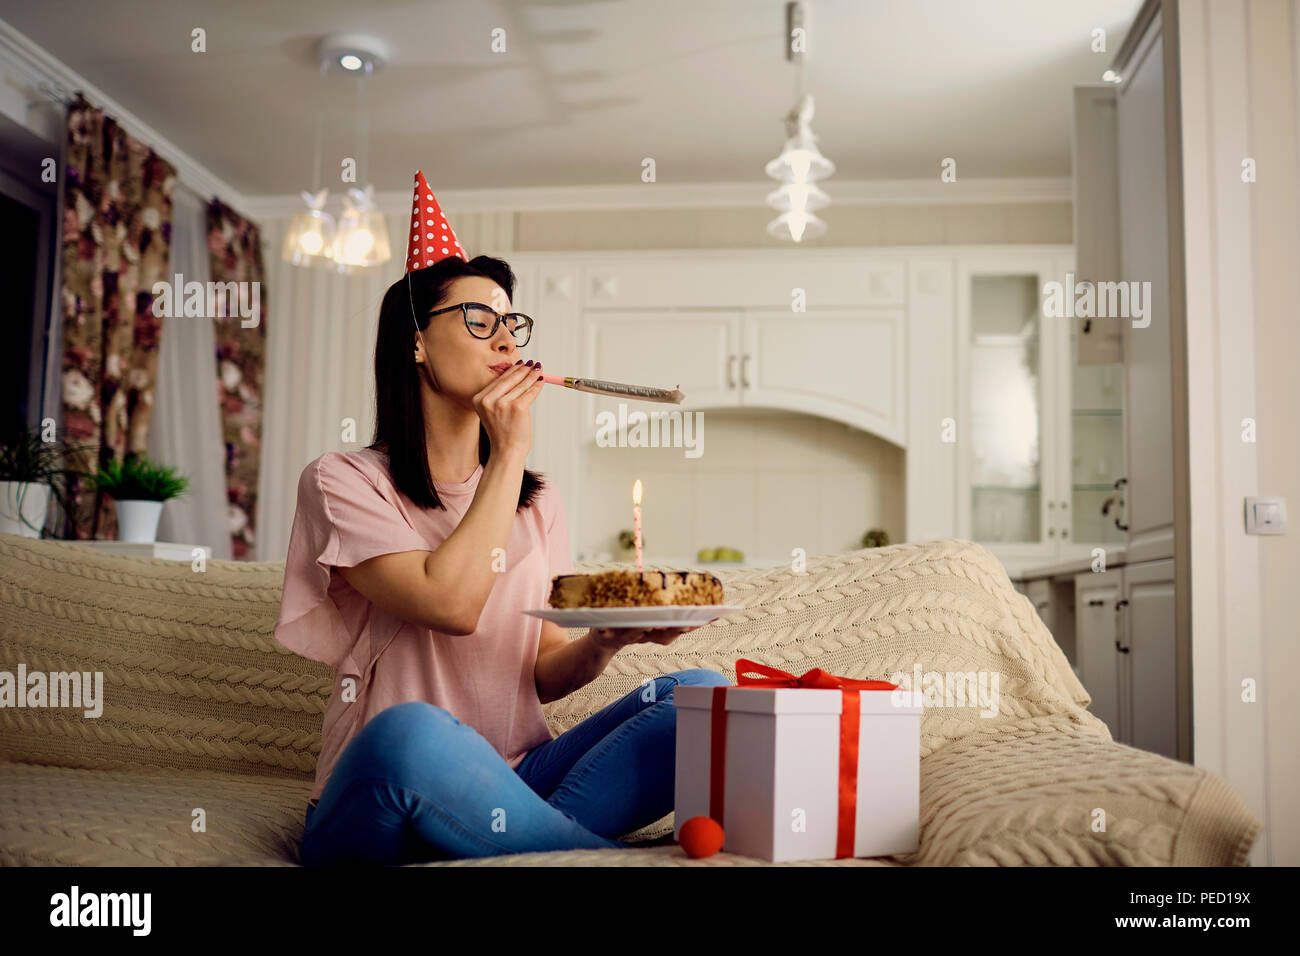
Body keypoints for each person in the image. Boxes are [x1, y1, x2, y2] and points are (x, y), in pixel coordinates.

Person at [274, 236, 728, 866]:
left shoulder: (537, 503)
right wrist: (509, 451)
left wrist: (602, 641)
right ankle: (585, 855)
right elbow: (451, 604)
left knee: (702, 696)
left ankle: (522, 844)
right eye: (479, 321)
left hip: (516, 780)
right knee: (412, 731)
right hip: (390, 788)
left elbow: (540, 675)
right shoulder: (343, 480)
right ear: (416, 342)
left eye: (511, 324)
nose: (508, 342)